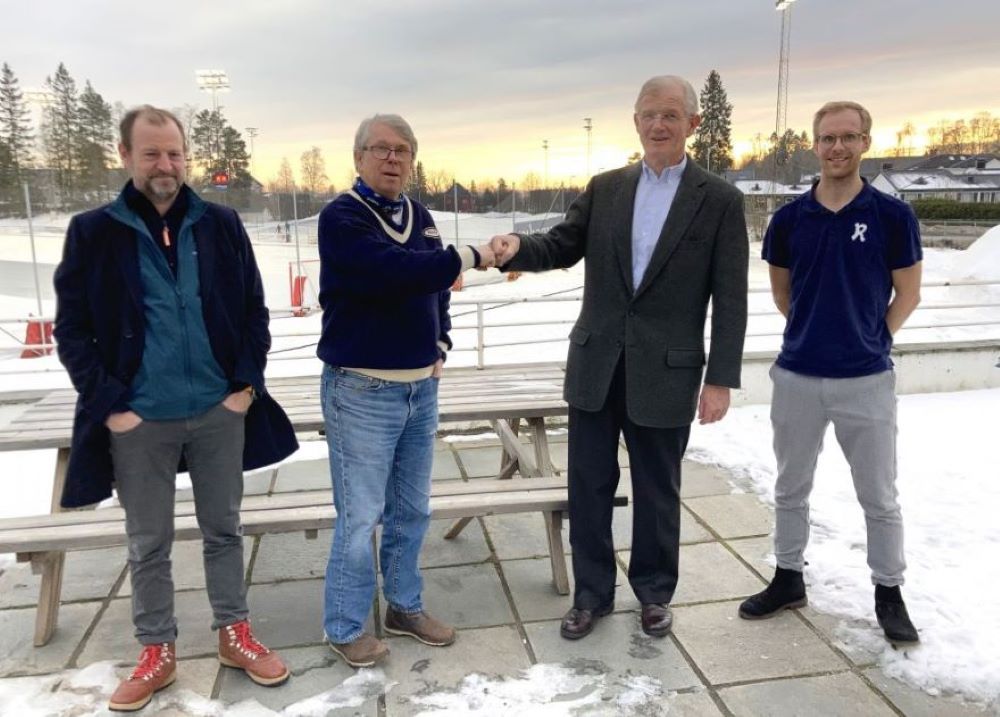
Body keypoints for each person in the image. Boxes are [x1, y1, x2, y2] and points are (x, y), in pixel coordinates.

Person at [53, 105, 299, 712]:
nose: (165, 165)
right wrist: (111, 406)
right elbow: (73, 328)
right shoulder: (94, 231)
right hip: (141, 419)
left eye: (174, 153)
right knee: (148, 541)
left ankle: (232, 632)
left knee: (224, 529)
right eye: (151, 153)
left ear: (187, 156)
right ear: (126, 155)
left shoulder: (219, 223)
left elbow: (252, 311)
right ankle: (156, 648)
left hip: (218, 411)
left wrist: (244, 385)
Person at [489, 76, 749, 640]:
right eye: (649, 114)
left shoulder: (720, 201)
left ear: (693, 125)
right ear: (635, 122)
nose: (659, 125)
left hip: (669, 371)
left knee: (659, 491)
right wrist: (517, 248)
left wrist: (720, 379)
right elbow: (560, 244)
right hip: (596, 366)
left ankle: (654, 594)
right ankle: (591, 595)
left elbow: (731, 298)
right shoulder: (605, 188)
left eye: (671, 115)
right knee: (588, 484)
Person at [739, 101, 922, 645]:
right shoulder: (790, 219)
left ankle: (889, 591)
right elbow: (782, 292)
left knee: (879, 496)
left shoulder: (893, 217)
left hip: (866, 380)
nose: (837, 147)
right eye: (827, 138)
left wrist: (872, 340)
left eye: (848, 137)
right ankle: (788, 577)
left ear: (865, 142)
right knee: (791, 486)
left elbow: (907, 294)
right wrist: (814, 334)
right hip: (797, 376)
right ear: (814, 145)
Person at [317, 113, 495, 668]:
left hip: (421, 389)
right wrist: (470, 256)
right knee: (360, 516)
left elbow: (434, 286)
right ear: (359, 158)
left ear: (412, 160)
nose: (392, 158)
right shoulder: (342, 216)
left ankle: (404, 605)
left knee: (411, 509)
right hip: (362, 389)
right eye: (380, 149)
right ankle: (345, 625)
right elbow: (392, 271)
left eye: (402, 150)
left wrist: (439, 342)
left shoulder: (420, 215)